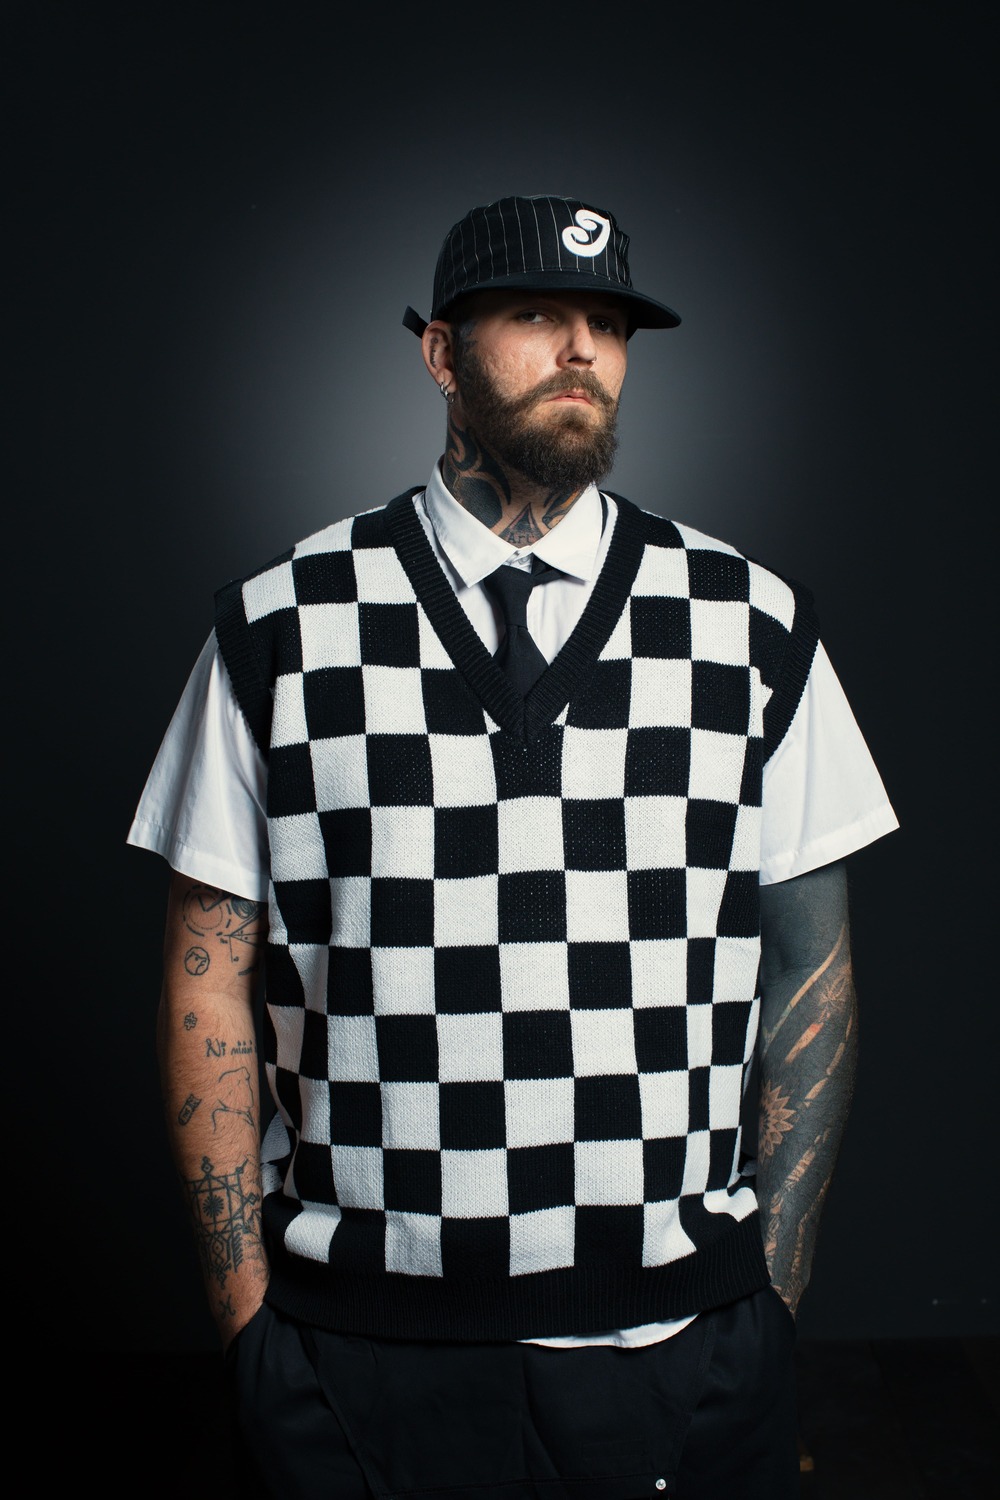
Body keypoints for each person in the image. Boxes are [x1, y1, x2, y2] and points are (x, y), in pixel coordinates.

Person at [129, 194, 899, 1499]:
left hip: (683, 1345)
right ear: (440, 353)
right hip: (355, 1347)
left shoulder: (751, 627)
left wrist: (770, 1298)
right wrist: (247, 1323)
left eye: (609, 322)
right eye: (537, 313)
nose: (582, 347)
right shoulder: (283, 626)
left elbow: (810, 971)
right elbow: (208, 974)